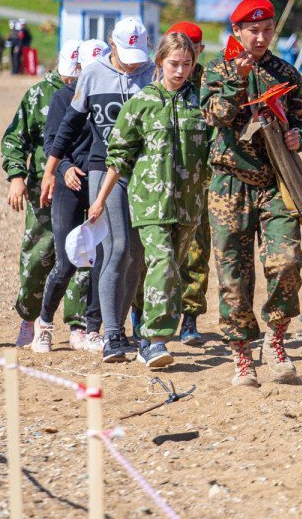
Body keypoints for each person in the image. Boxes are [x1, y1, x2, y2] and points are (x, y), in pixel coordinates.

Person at [203, 0, 302, 387]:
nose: (262, 37)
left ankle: (276, 340)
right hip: (229, 182)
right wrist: (237, 78)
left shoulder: (285, 71)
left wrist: (299, 134)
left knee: (286, 262)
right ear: (237, 32)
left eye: (267, 29)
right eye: (253, 30)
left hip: (275, 182)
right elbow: (215, 113)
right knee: (233, 274)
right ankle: (241, 355)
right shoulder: (216, 69)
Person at [89, 31, 210, 369]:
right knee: (163, 263)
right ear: (159, 62)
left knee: (163, 269)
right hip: (150, 203)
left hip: (188, 207)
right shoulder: (141, 103)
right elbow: (118, 157)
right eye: (174, 63)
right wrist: (100, 200)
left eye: (187, 64)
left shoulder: (199, 103)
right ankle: (156, 341)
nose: (180, 70)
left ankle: (141, 329)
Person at [42, 18, 156, 362]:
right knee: (114, 247)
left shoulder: (152, 73)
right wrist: (51, 169)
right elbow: (68, 126)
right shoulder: (92, 74)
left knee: (135, 253)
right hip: (101, 170)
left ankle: (118, 328)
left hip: (143, 171)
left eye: (138, 54)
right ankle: (107, 333)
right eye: (126, 54)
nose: (134, 62)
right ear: (112, 43)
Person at [1, 39, 89, 350]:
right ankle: (29, 317)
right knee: (38, 255)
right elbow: (15, 138)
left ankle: (78, 324)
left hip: (80, 185)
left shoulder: (94, 88)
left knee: (80, 254)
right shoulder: (39, 94)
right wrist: (16, 176)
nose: (72, 80)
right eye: (69, 75)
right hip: (42, 188)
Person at [35, 38, 108, 354]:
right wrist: (62, 167)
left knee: (101, 259)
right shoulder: (64, 97)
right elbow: (52, 140)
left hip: (101, 185)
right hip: (70, 185)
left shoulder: (112, 98)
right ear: (79, 69)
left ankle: (93, 329)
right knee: (66, 261)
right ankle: (45, 323)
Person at [165, 20, 213, 347]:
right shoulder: (159, 81)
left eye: (193, 50)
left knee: (197, 251)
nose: (188, 56)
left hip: (199, 184)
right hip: (163, 183)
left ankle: (190, 318)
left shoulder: (209, 85)